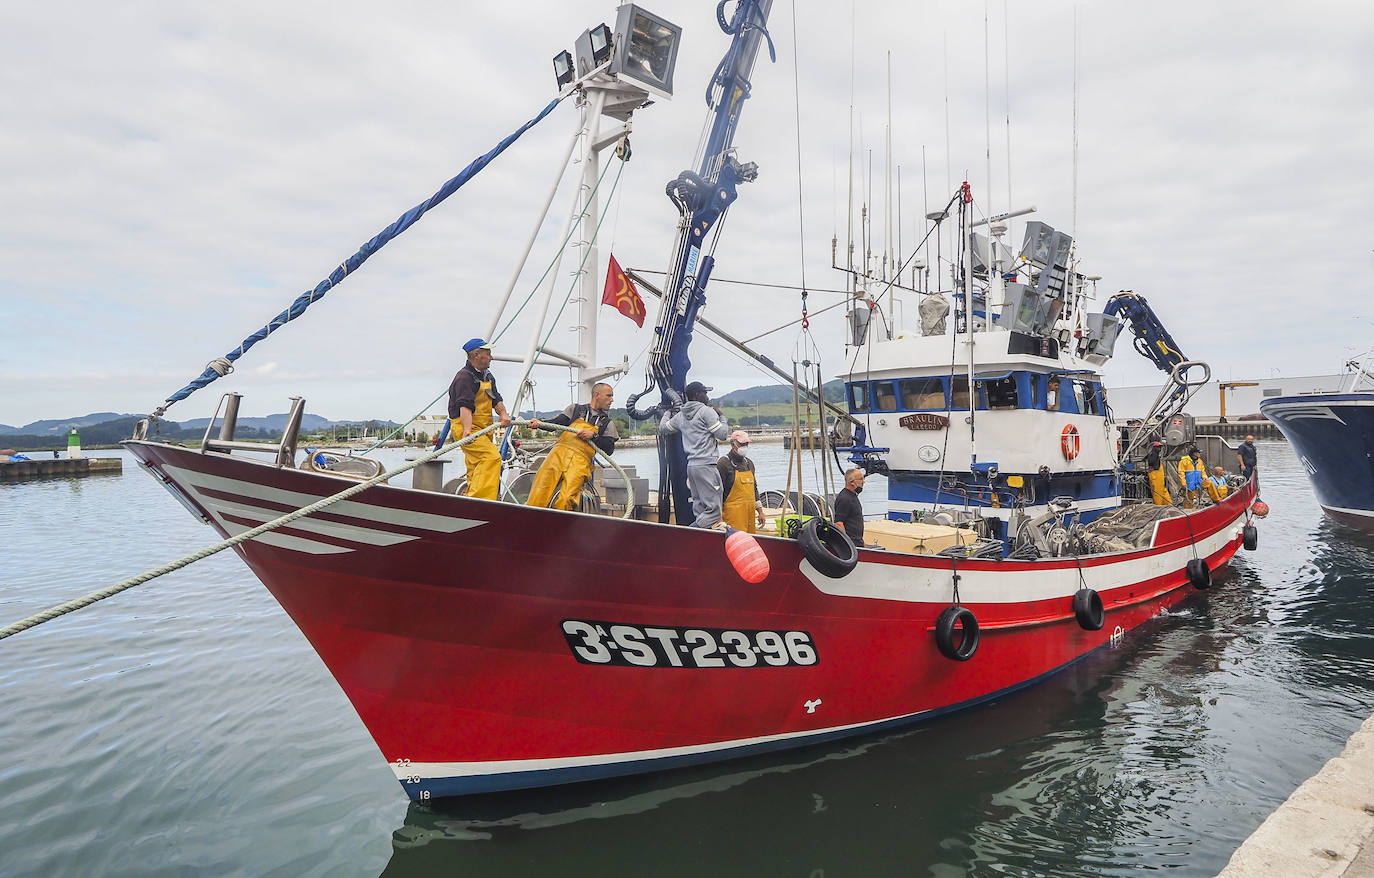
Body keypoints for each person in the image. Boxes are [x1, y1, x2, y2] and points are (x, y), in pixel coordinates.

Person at [526, 382, 619, 511]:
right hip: (558, 455)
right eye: (609, 396)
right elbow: (556, 423)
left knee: (567, 498)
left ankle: (559, 525)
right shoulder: (575, 409)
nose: (612, 400)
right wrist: (540, 423)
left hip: (580, 462)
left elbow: (609, 449)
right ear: (597, 395)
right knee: (540, 488)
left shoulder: (607, 423)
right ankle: (531, 519)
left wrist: (594, 436)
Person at [447, 338, 511, 500]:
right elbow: (465, 406)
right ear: (477, 355)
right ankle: (479, 500)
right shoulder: (464, 378)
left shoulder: (487, 376)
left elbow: (495, 399)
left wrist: (503, 414)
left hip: (484, 428)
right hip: (467, 428)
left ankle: (470, 496)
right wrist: (467, 431)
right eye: (488, 353)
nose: (491, 357)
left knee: (475, 465)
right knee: (491, 457)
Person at [661, 381, 730, 528]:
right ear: (697, 395)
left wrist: (667, 413)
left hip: (692, 467)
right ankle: (691, 531)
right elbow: (722, 434)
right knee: (714, 510)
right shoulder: (707, 411)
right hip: (707, 465)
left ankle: (699, 535)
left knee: (699, 506)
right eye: (705, 393)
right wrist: (722, 416)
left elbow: (663, 428)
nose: (707, 396)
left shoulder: (680, 416)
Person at [718, 430, 766, 533]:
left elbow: (754, 489)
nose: (744, 446)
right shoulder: (723, 463)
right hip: (732, 517)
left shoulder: (749, 463)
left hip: (749, 516)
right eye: (741, 444)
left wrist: (760, 512)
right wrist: (719, 520)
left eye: (746, 444)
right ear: (732, 444)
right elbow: (716, 494)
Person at [833, 468, 866, 547]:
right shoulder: (845, 498)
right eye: (861, 479)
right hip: (852, 546)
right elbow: (838, 523)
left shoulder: (853, 496)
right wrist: (848, 545)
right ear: (852, 482)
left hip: (858, 543)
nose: (863, 482)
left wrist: (862, 542)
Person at [1146, 441, 1170, 506]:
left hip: (1159, 476)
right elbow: (1151, 462)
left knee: (1162, 490)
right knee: (1157, 492)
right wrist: (1152, 468)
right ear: (1154, 448)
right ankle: (1158, 506)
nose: (1159, 449)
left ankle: (1167, 504)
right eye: (1158, 447)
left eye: (1160, 447)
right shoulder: (1153, 454)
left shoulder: (1154, 454)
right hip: (1156, 475)